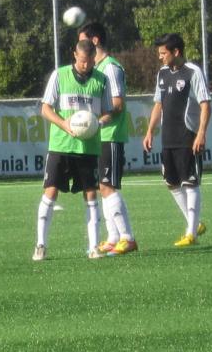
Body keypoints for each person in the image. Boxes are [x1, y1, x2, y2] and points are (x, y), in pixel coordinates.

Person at [33, 35, 112, 262]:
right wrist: (64, 124)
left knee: (90, 194)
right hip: (61, 145)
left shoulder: (101, 80)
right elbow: (46, 109)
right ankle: (40, 245)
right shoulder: (59, 75)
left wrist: (100, 123)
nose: (85, 65)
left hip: (88, 148)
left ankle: (94, 247)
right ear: (75, 55)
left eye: (90, 61)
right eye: (82, 60)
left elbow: (109, 111)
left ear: (94, 59)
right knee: (51, 192)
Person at [141, 33, 211, 247]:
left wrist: (201, 133)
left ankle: (191, 233)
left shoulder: (193, 72)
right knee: (171, 183)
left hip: (187, 136)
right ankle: (195, 223)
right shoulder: (162, 74)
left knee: (190, 182)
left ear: (176, 52)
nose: (160, 57)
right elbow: (158, 104)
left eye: (163, 53)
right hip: (167, 138)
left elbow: (205, 104)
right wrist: (150, 131)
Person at [79, 24, 137, 254]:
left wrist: (98, 121)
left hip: (110, 135)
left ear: (94, 41)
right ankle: (113, 237)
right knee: (102, 187)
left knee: (107, 185)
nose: (79, 47)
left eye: (82, 41)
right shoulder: (97, 68)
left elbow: (118, 104)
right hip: (98, 137)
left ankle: (128, 237)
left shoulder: (111, 68)